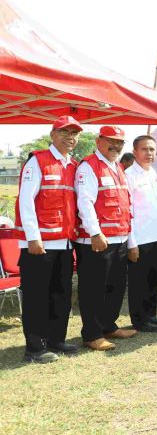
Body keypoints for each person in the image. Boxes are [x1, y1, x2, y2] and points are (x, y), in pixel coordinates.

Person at [14, 116, 82, 363]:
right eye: (65, 132)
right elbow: (25, 201)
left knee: (60, 294)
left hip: (64, 243)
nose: (70, 137)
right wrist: (33, 237)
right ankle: (34, 347)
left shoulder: (73, 166)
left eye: (74, 133)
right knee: (36, 297)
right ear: (53, 134)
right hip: (39, 244)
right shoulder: (38, 161)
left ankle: (56, 340)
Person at [75, 126, 136, 351]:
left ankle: (108, 326)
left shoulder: (118, 167)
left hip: (119, 238)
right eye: (111, 141)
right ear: (99, 140)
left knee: (115, 287)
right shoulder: (89, 166)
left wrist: (130, 240)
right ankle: (91, 334)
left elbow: (126, 204)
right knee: (93, 289)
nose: (116, 146)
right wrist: (94, 232)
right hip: (97, 241)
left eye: (120, 142)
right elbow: (85, 202)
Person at [125, 135, 157, 333]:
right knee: (139, 282)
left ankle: (151, 314)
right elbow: (128, 212)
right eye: (144, 149)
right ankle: (139, 320)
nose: (149, 153)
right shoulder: (128, 176)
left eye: (152, 149)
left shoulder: (153, 173)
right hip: (140, 239)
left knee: (153, 278)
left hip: (156, 236)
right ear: (135, 152)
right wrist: (131, 242)